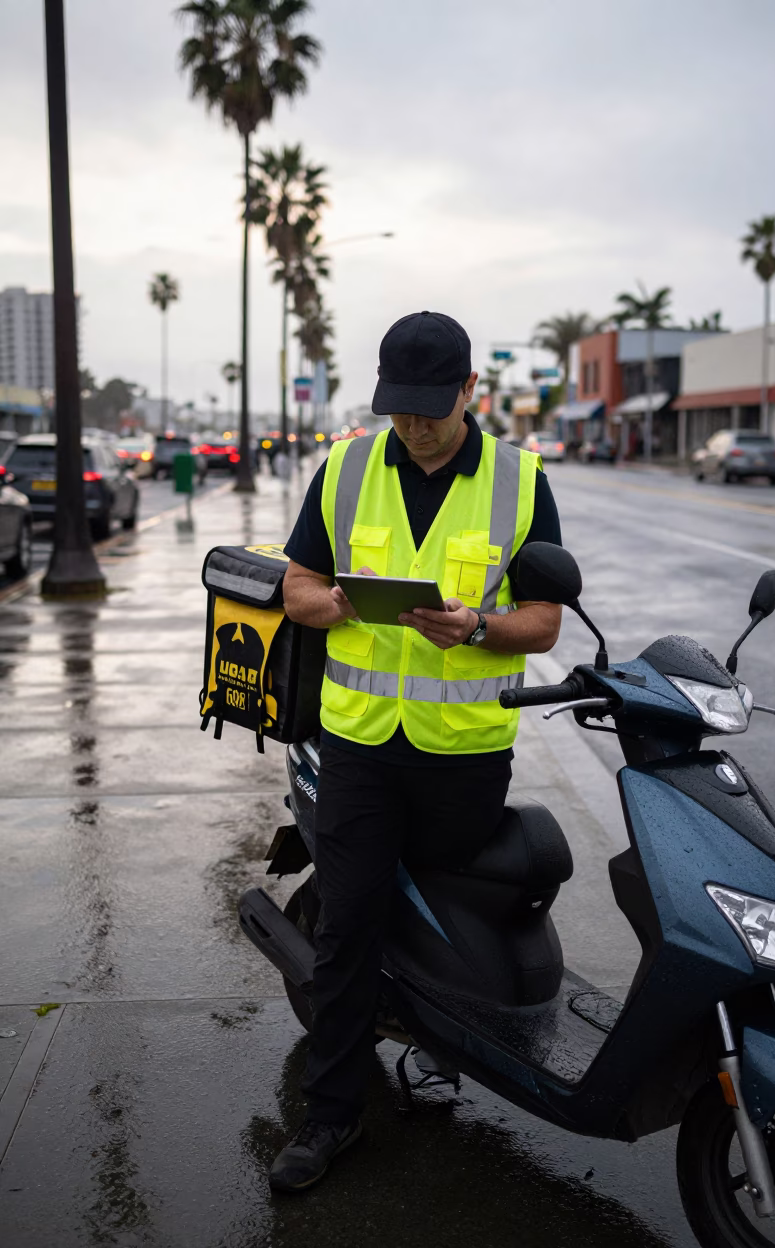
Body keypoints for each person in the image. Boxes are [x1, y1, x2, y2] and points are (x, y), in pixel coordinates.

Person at [270, 311, 563, 1191]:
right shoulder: (349, 467)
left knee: (452, 914)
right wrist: (346, 605)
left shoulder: (519, 482)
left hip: (463, 758)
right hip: (358, 744)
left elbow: (543, 624)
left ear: (468, 392)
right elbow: (295, 588)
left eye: (430, 408)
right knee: (351, 924)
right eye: (400, 407)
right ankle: (329, 1118)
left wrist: (477, 624)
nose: (414, 425)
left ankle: (441, 1049)